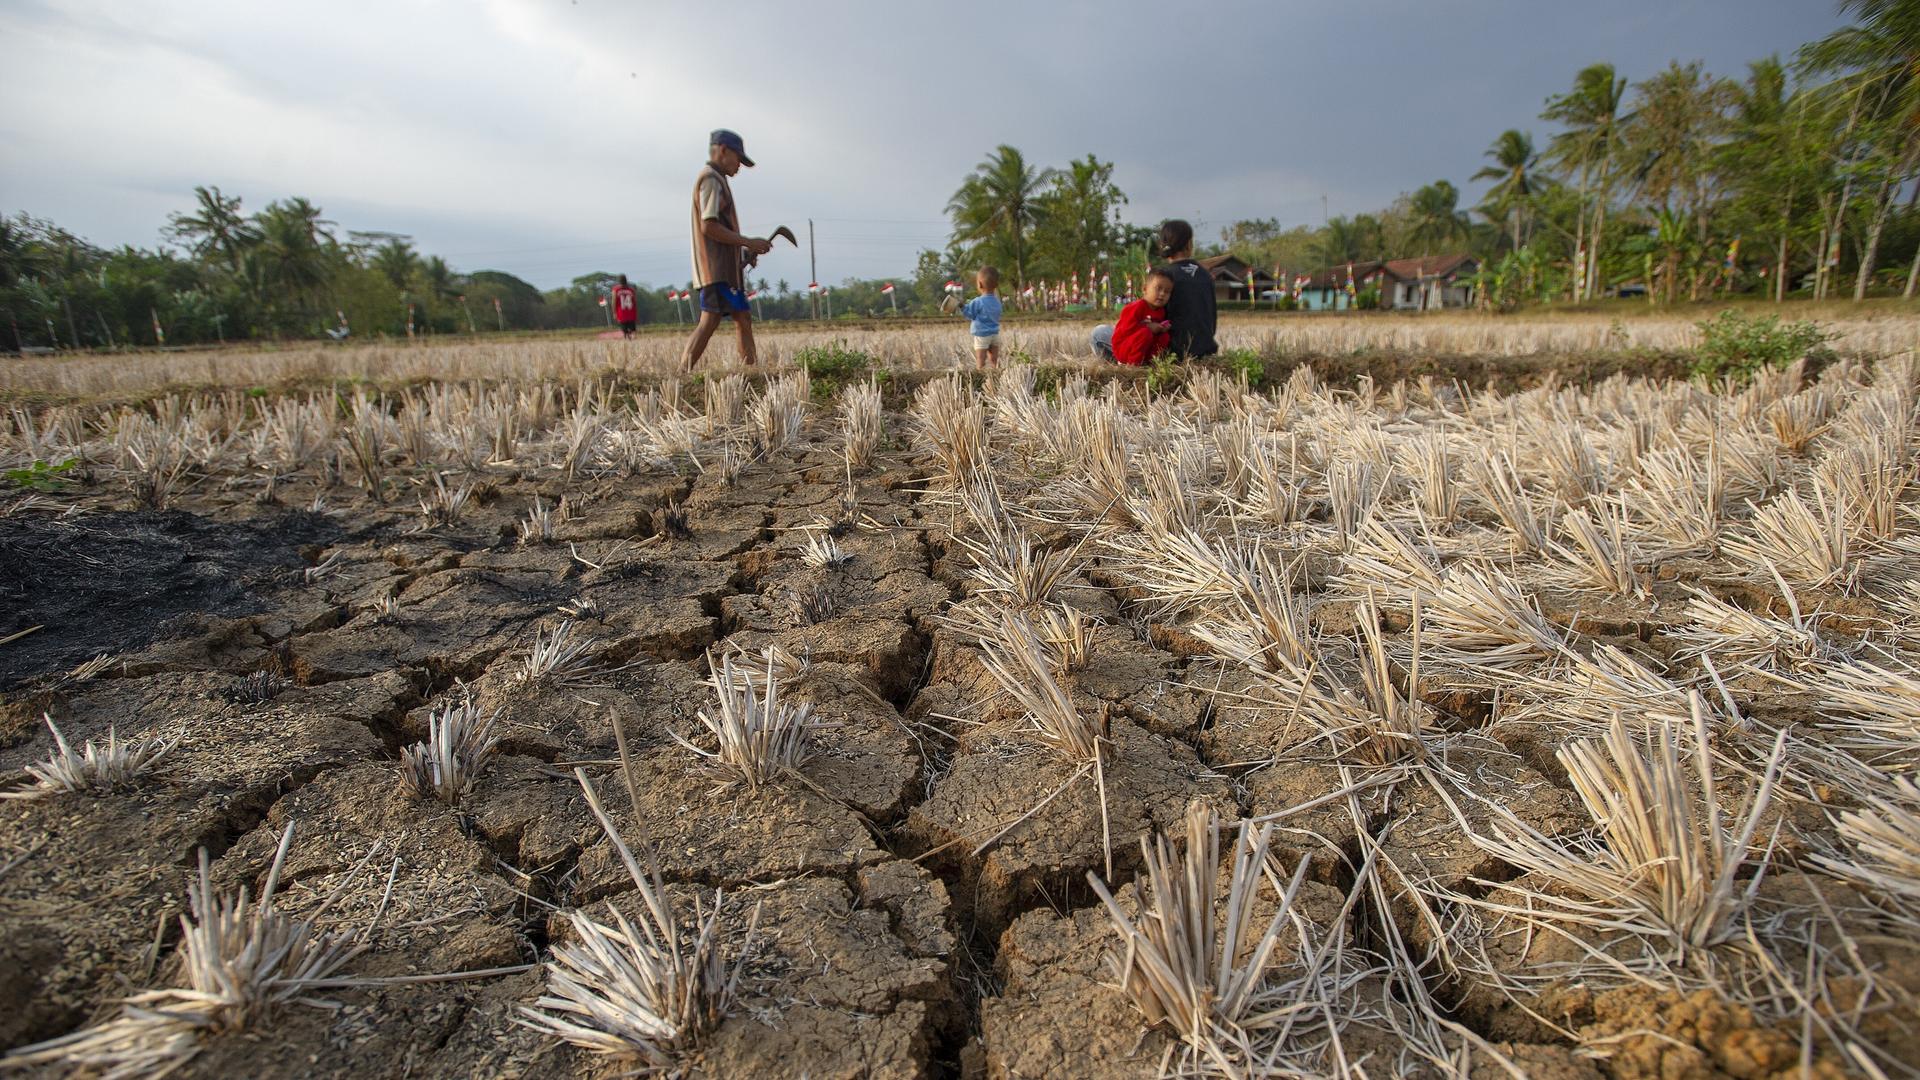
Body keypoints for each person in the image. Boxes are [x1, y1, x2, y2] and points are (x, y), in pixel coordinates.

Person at [681, 129, 773, 371]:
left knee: (742, 317)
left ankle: (751, 371)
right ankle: (681, 372)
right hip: (715, 269)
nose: (739, 166)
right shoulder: (711, 179)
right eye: (738, 159)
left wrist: (742, 253)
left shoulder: (717, 179)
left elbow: (720, 227)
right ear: (723, 150)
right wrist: (748, 242)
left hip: (725, 268)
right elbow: (708, 226)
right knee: (710, 320)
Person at [1156, 219, 1218, 360]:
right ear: (1189, 244)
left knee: (1100, 334)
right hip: (1204, 352)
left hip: (1173, 354)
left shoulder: (1162, 277)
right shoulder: (1206, 275)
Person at [1105, 268, 1175, 366]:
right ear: (1145, 289)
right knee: (1145, 333)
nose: (1162, 294)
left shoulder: (1161, 311)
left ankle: (1150, 362)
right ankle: (1132, 366)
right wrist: (1148, 327)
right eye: (1158, 288)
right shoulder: (1136, 307)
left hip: (1143, 349)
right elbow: (1125, 330)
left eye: (1167, 291)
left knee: (1164, 336)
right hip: (1124, 348)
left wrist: (1161, 328)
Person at [951, 266, 1003, 370]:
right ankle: (996, 372)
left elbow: (969, 314)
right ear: (996, 285)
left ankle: (980, 373)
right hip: (994, 334)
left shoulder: (978, 301)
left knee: (981, 360)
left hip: (981, 335)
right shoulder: (997, 301)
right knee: (994, 360)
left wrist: (962, 306)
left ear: (979, 284)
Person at [611, 274, 638, 338]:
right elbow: (634, 301)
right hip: (631, 311)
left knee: (624, 329)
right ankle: (631, 337)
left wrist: (614, 312)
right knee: (632, 329)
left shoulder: (616, 290)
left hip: (621, 312)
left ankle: (626, 337)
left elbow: (613, 302)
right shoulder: (631, 290)